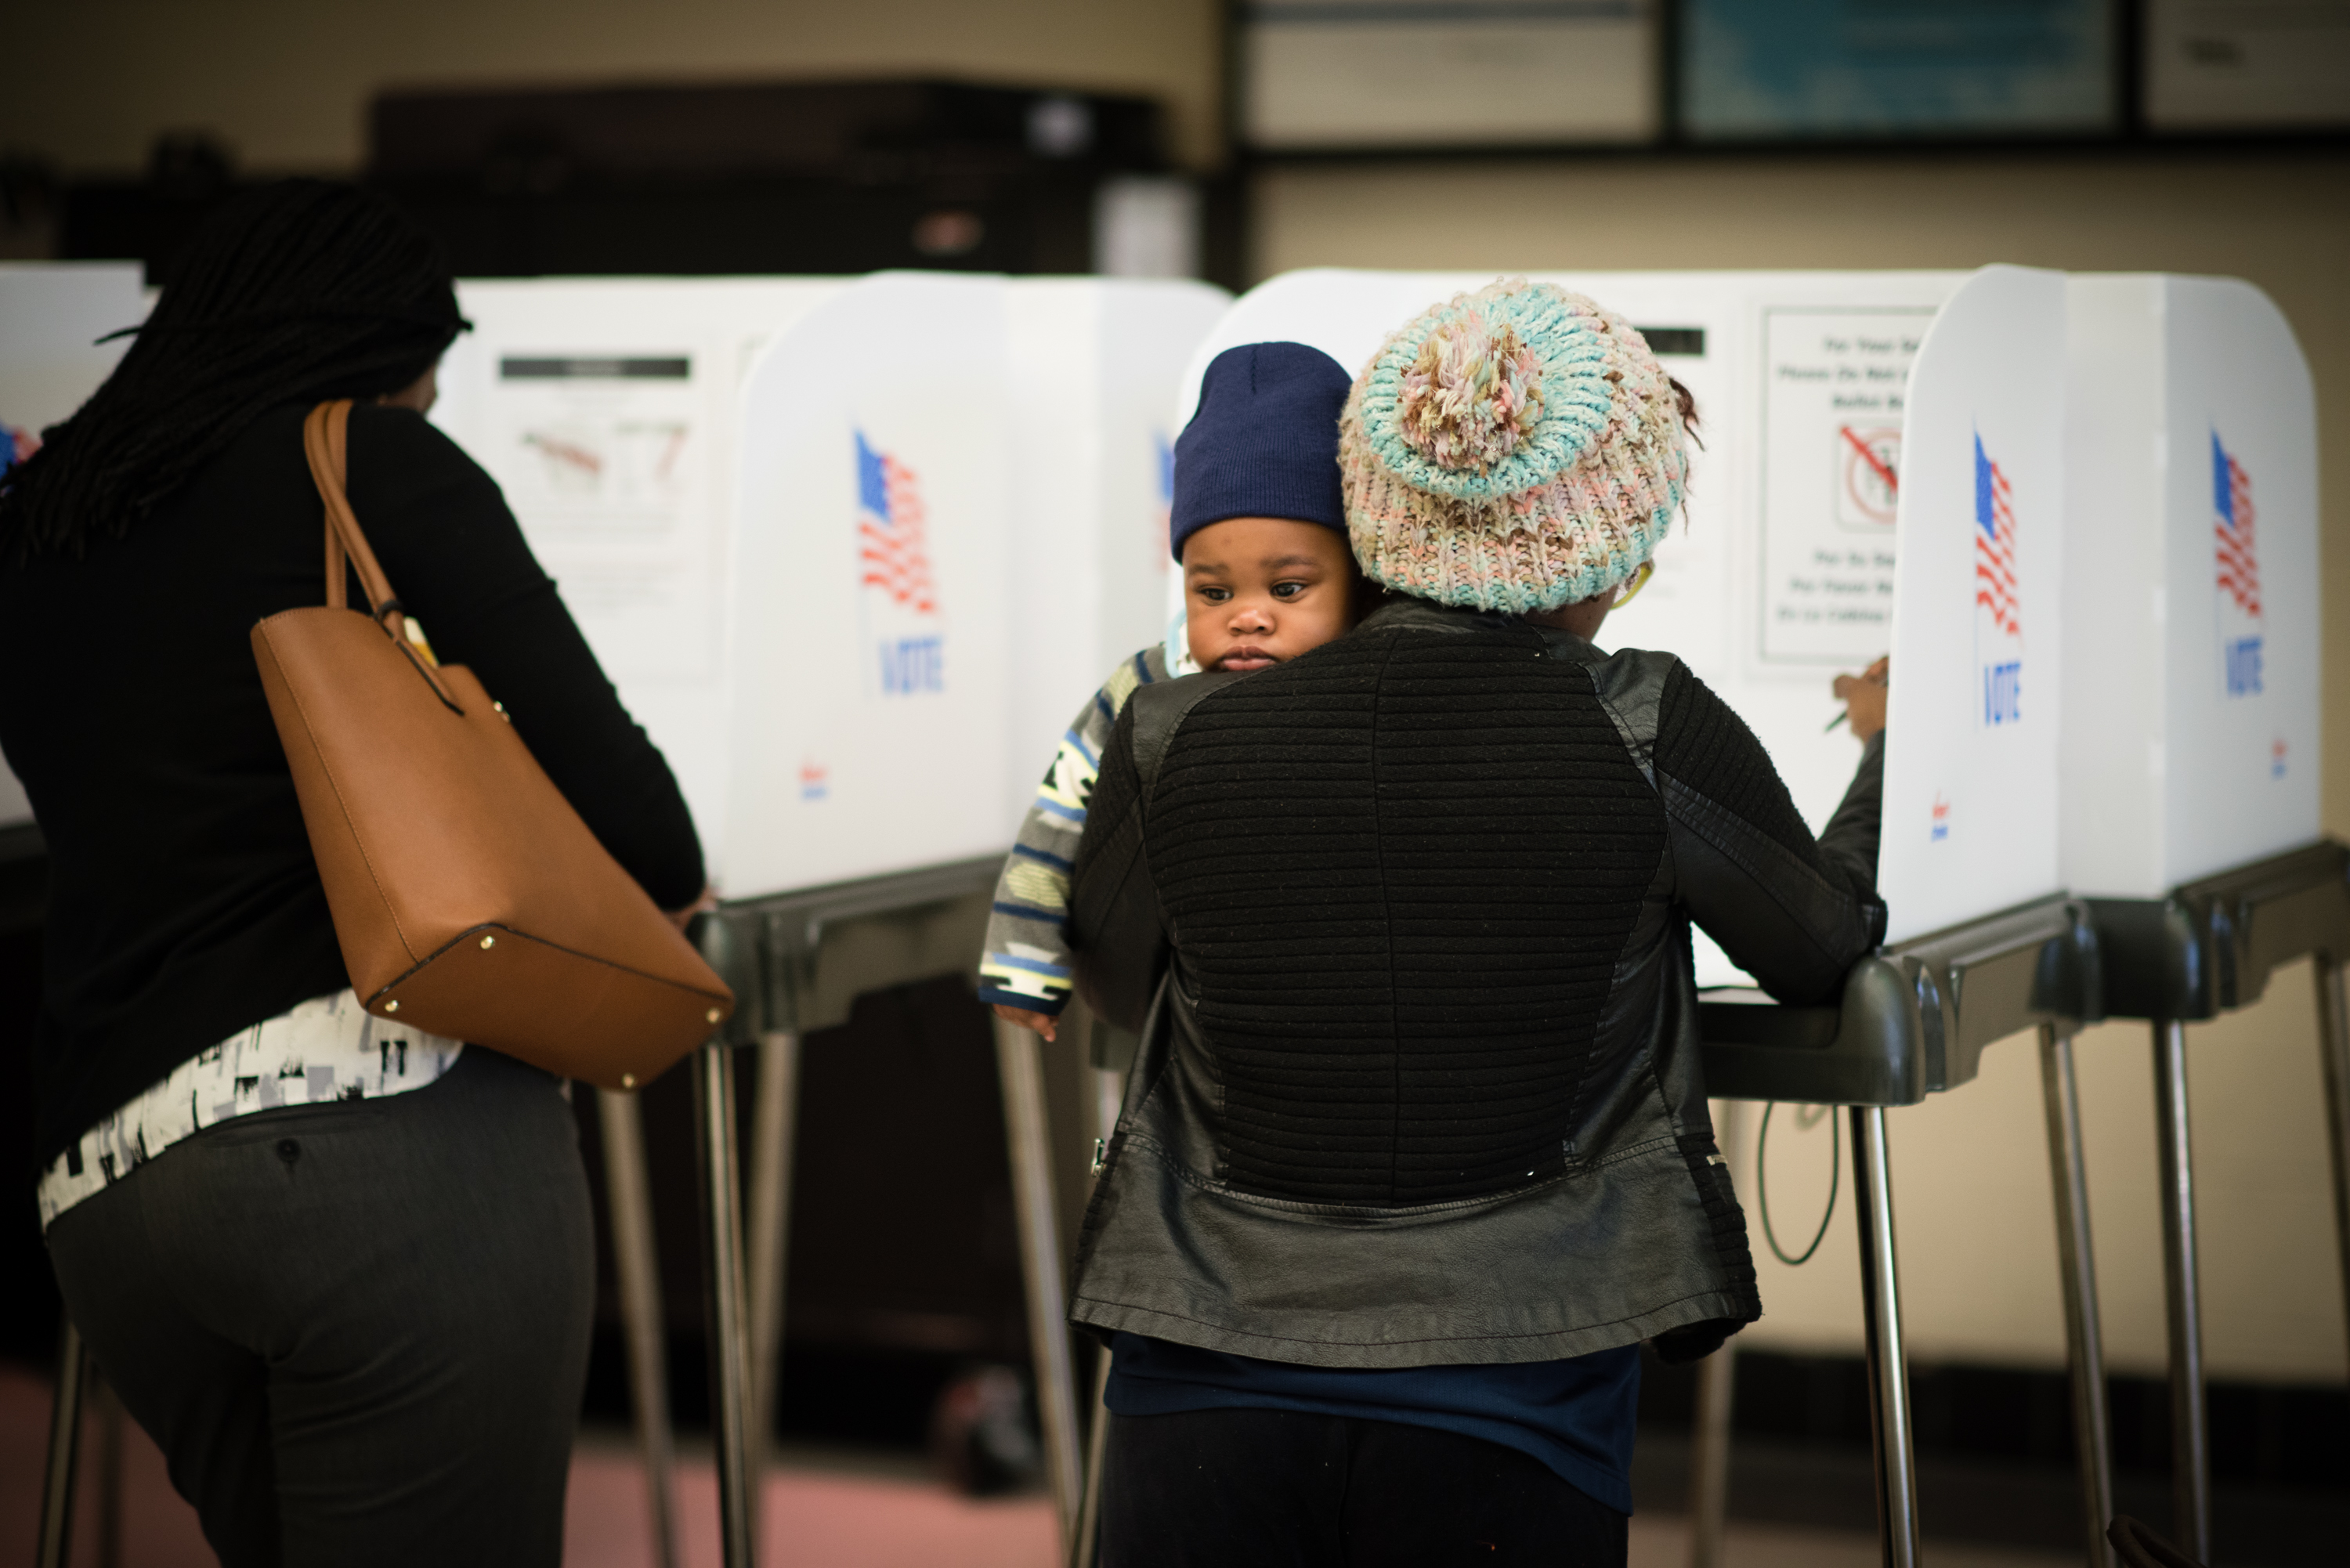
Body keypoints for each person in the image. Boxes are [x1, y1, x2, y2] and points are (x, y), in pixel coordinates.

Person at [1065, 280, 1888, 1566]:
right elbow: (1822, 944)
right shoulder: (1646, 723)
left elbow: (1119, 982)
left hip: (1197, 1377)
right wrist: (1886, 754)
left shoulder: (1170, 732)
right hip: (1517, 1391)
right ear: (1603, 551)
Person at [0, 182, 705, 1566]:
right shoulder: (372, 461)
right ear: (381, 355)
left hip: (112, 1193)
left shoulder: (40, 514)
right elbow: (648, 833)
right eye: (422, 380)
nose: (424, 405)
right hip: (379, 1149)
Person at [980, 341, 1364, 1039]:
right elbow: (1058, 816)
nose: (1249, 617)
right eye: (1214, 593)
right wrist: (1025, 960)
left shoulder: (1375, 679)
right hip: (1177, 992)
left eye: (1287, 589)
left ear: (1360, 578)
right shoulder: (1149, 684)